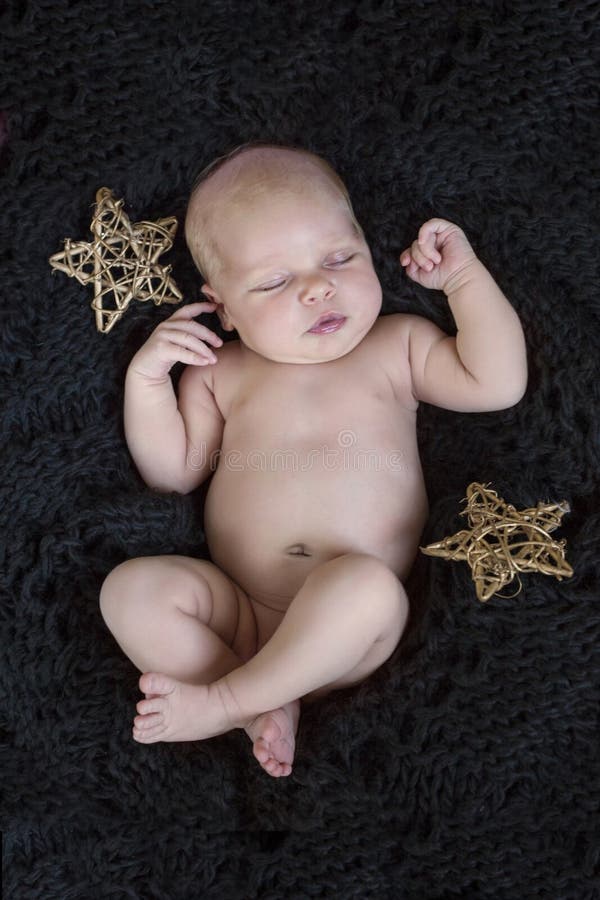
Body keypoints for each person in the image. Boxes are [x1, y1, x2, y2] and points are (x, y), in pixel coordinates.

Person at [99, 142, 528, 777]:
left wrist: (462, 279)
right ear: (223, 308)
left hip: (346, 633)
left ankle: (229, 701)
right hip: (240, 613)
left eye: (338, 258)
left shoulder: (396, 346)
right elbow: (174, 472)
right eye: (273, 281)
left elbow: (497, 383)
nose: (317, 287)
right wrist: (148, 382)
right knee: (129, 591)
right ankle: (263, 705)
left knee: (366, 588)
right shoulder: (222, 372)